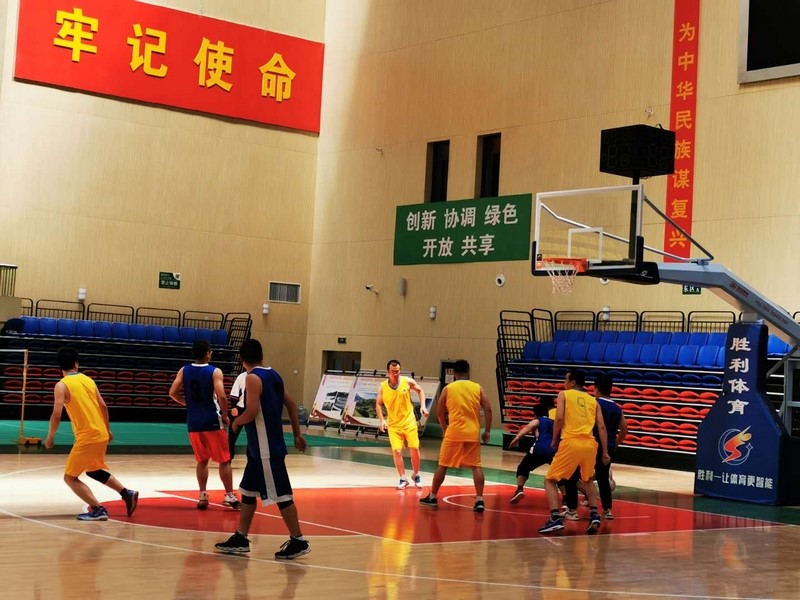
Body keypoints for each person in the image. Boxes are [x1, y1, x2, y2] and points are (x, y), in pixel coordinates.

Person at [215, 339, 310, 559]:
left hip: (266, 448)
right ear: (261, 354)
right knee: (248, 491)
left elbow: (251, 412)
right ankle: (241, 537)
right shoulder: (274, 375)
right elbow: (291, 405)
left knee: (282, 494)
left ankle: (298, 540)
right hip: (260, 448)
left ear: (241, 358)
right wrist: (297, 434)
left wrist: (236, 423)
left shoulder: (252, 377)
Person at [44, 347, 138, 521]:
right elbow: (104, 406)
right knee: (93, 470)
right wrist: (107, 429)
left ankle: (97, 509)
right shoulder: (88, 380)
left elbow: (56, 414)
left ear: (60, 366)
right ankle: (127, 493)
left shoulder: (61, 385)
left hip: (87, 436)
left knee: (70, 478)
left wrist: (50, 437)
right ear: (76, 364)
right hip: (100, 433)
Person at [169, 340, 240, 510]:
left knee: (202, 461)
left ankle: (202, 495)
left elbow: (172, 393)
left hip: (193, 422)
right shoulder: (214, 371)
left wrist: (188, 403)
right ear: (208, 353)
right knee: (224, 460)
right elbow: (221, 396)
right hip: (212, 421)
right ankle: (229, 495)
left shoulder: (184, 370)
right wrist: (225, 415)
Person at [538, 369, 610, 535]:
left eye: (566, 379)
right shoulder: (593, 401)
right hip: (590, 444)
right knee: (587, 480)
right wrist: (605, 451)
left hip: (571, 442)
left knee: (550, 480)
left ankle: (555, 518)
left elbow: (559, 418)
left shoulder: (564, 394)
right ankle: (594, 515)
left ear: (572, 382)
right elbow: (601, 427)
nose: (564, 382)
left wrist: (554, 439)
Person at [419, 359, 492, 512]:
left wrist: (445, 429)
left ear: (453, 373)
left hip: (454, 432)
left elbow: (440, 413)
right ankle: (479, 500)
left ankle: (432, 496)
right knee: (476, 466)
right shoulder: (478, 388)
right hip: (472, 433)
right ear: (468, 371)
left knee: (443, 465)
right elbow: (488, 409)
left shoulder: (448, 389)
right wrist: (487, 431)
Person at [562, 374, 627, 519]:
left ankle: (572, 509)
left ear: (595, 389)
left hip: (591, 444)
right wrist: (615, 444)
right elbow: (624, 429)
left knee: (573, 474)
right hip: (608, 446)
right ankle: (607, 510)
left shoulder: (593, 403)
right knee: (603, 478)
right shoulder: (617, 409)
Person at [376, 359, 428, 489]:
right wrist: (382, 420)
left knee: (414, 448)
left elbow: (420, 391)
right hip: (394, 425)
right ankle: (402, 478)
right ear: (388, 372)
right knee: (397, 451)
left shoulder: (407, 381)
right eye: (393, 371)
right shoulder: (383, 387)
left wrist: (423, 406)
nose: (395, 374)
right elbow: (378, 404)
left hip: (409, 422)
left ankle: (416, 474)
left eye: (397, 371)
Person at [507, 397, 555, 504]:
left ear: (535, 414)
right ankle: (566, 500)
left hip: (539, 449)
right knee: (560, 475)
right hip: (554, 451)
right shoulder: (554, 422)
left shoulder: (537, 421)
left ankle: (519, 489)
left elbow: (527, 427)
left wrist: (516, 438)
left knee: (523, 467)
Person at [227, 369, 247, 459]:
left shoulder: (260, 376)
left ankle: (252, 457)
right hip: (240, 408)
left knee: (253, 436)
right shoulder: (242, 376)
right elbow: (234, 394)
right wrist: (234, 406)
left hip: (253, 409)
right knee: (232, 434)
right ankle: (229, 456)